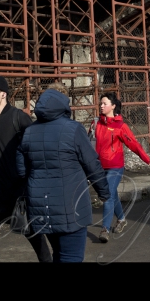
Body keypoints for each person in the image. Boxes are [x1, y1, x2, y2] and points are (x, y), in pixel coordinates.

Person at [16, 89, 110, 262]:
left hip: (40, 206)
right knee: (71, 256)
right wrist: (103, 191)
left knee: (59, 254)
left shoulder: (29, 132)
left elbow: (21, 168)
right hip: (70, 205)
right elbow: (91, 163)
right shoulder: (73, 129)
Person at [0, 76, 52, 262]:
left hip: (17, 192)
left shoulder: (19, 118)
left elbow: (35, 149)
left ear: (3, 94)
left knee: (35, 237)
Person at [94, 92, 150, 242]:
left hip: (115, 166)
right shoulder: (96, 124)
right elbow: (88, 143)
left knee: (107, 196)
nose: (101, 106)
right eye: (100, 103)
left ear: (113, 106)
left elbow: (133, 143)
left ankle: (104, 229)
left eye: (104, 103)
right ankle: (121, 219)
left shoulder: (120, 126)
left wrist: (146, 159)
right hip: (100, 167)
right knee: (112, 195)